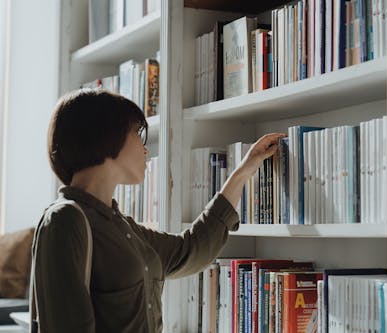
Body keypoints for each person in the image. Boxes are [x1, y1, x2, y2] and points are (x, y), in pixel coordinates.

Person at [29, 89, 285, 332]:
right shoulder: (65, 220)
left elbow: (191, 250)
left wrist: (243, 172)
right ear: (106, 136)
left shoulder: (123, 227)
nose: (145, 149)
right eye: (136, 135)